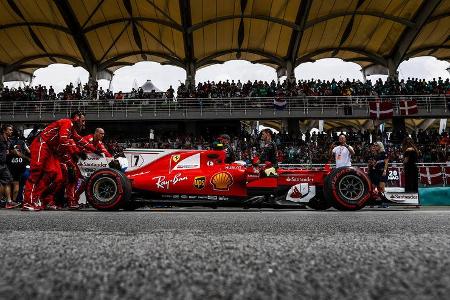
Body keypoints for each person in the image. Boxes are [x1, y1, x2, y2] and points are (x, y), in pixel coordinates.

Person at [22, 111, 88, 211]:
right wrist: (75, 155)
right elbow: (63, 141)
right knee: (36, 172)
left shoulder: (71, 129)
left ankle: (41, 199)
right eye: (83, 121)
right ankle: (28, 202)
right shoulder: (67, 122)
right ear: (76, 118)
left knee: (57, 176)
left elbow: (79, 140)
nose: (84, 123)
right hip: (42, 144)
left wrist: (96, 151)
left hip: (50, 150)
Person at [6, 130, 30, 203]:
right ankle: (15, 200)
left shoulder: (9, 142)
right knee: (17, 183)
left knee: (8, 183)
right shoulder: (22, 142)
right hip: (20, 164)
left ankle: (8, 200)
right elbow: (29, 151)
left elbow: (6, 152)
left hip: (10, 164)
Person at [0, 124, 20, 208]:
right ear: (4, 130)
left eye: (11, 130)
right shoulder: (0, 139)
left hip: (3, 164)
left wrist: (29, 159)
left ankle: (8, 201)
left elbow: (16, 152)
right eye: (10, 130)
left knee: (7, 181)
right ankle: (5, 201)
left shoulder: (8, 141)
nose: (11, 131)